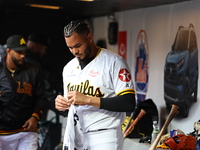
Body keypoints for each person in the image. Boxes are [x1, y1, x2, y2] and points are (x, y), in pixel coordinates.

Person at [55, 20, 136, 150]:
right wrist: (62, 106)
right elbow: (70, 108)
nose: (74, 51)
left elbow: (128, 102)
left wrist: (88, 99)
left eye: (78, 45)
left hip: (105, 134)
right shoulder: (68, 68)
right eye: (70, 47)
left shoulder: (114, 62)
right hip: (76, 133)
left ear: (89, 37)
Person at [0, 35, 47, 150]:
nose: (23, 55)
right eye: (19, 52)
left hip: (26, 130)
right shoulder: (1, 70)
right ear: (9, 51)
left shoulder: (34, 71)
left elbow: (41, 97)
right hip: (2, 131)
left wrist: (35, 117)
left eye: (24, 51)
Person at [26, 31, 64, 120]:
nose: (44, 52)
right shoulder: (32, 65)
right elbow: (46, 93)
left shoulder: (25, 60)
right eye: (44, 48)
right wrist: (66, 111)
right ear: (36, 45)